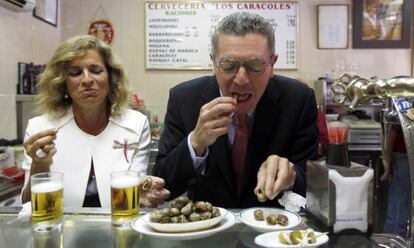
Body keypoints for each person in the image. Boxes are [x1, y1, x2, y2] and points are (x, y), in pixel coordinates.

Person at [153, 12, 319, 208]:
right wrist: (195, 143)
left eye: (255, 66)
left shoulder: (298, 99)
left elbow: (315, 185)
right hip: (207, 227)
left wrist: (291, 176)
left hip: (273, 230)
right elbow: (161, 185)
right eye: (229, 66)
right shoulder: (184, 99)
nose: (241, 79)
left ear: (272, 64)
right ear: (214, 63)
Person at [21, 35, 170, 208]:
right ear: (62, 83)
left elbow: (132, 193)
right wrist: (40, 164)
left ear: (111, 78)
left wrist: (142, 191)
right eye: (75, 73)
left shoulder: (135, 124)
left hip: (117, 227)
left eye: (96, 70)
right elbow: (27, 204)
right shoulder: (41, 129)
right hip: (60, 230)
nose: (86, 80)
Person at [381, 123, 409, 237]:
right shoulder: (406, 106)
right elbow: (391, 132)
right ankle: (393, 240)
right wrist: (387, 162)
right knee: (399, 210)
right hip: (404, 157)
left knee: (400, 208)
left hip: (405, 157)